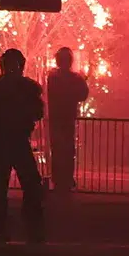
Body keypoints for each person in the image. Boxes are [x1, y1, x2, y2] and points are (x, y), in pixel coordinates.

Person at [0, 49, 45, 244]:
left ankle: (1, 229)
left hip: (0, 142)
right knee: (30, 185)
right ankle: (30, 228)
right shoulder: (28, 88)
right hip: (17, 142)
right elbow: (37, 113)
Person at [46, 47, 89, 194]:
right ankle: (66, 178)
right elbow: (83, 95)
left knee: (57, 149)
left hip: (55, 118)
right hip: (67, 118)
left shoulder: (52, 77)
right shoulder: (75, 78)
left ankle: (58, 178)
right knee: (68, 150)